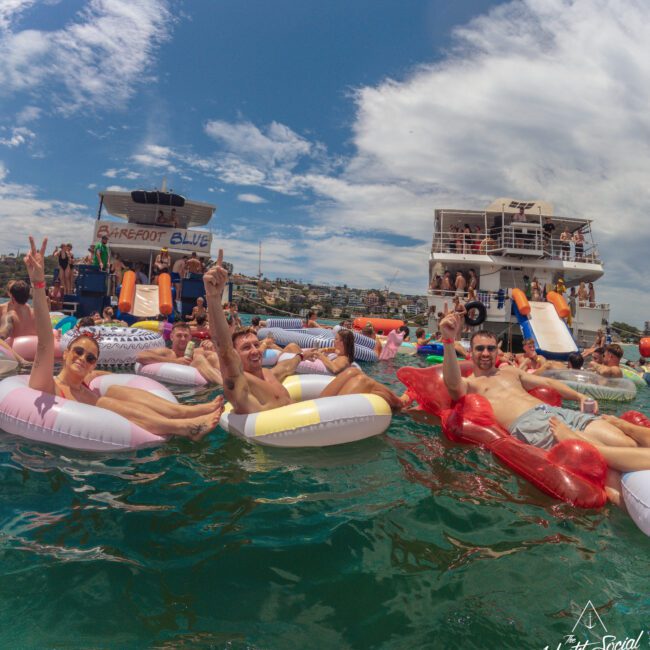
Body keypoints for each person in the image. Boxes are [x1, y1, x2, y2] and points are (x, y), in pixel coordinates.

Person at [439, 311, 650, 507]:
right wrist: (448, 340)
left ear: (497, 350)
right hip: (531, 424)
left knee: (626, 442)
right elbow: (452, 385)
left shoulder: (510, 372)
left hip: (554, 411)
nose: (486, 353)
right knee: (606, 468)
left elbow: (548, 384)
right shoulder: (470, 384)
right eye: (480, 349)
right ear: (470, 352)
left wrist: (579, 395)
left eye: (491, 348)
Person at [23, 237, 223, 440]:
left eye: (91, 358)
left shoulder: (88, 379)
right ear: (66, 353)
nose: (83, 359)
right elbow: (45, 342)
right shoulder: (48, 384)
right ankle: (184, 427)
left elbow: (104, 375)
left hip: (96, 400)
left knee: (117, 390)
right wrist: (38, 284)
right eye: (79, 352)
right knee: (106, 402)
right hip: (82, 425)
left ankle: (186, 412)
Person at [202, 249, 410, 414]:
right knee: (363, 381)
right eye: (246, 348)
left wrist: (302, 354)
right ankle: (403, 406)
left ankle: (401, 404)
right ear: (236, 356)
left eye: (256, 344)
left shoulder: (267, 373)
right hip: (286, 430)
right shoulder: (240, 382)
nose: (256, 350)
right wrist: (213, 297)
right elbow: (224, 349)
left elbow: (287, 366)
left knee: (354, 373)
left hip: (301, 413)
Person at [136, 321, 223, 386]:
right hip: (180, 392)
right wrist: (176, 362)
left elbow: (223, 354)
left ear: (190, 338)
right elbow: (140, 356)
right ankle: (223, 385)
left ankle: (228, 383)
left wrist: (211, 345)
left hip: (204, 388)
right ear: (171, 337)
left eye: (186, 336)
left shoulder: (197, 351)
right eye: (179, 335)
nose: (183, 339)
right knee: (199, 359)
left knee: (212, 355)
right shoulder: (167, 352)